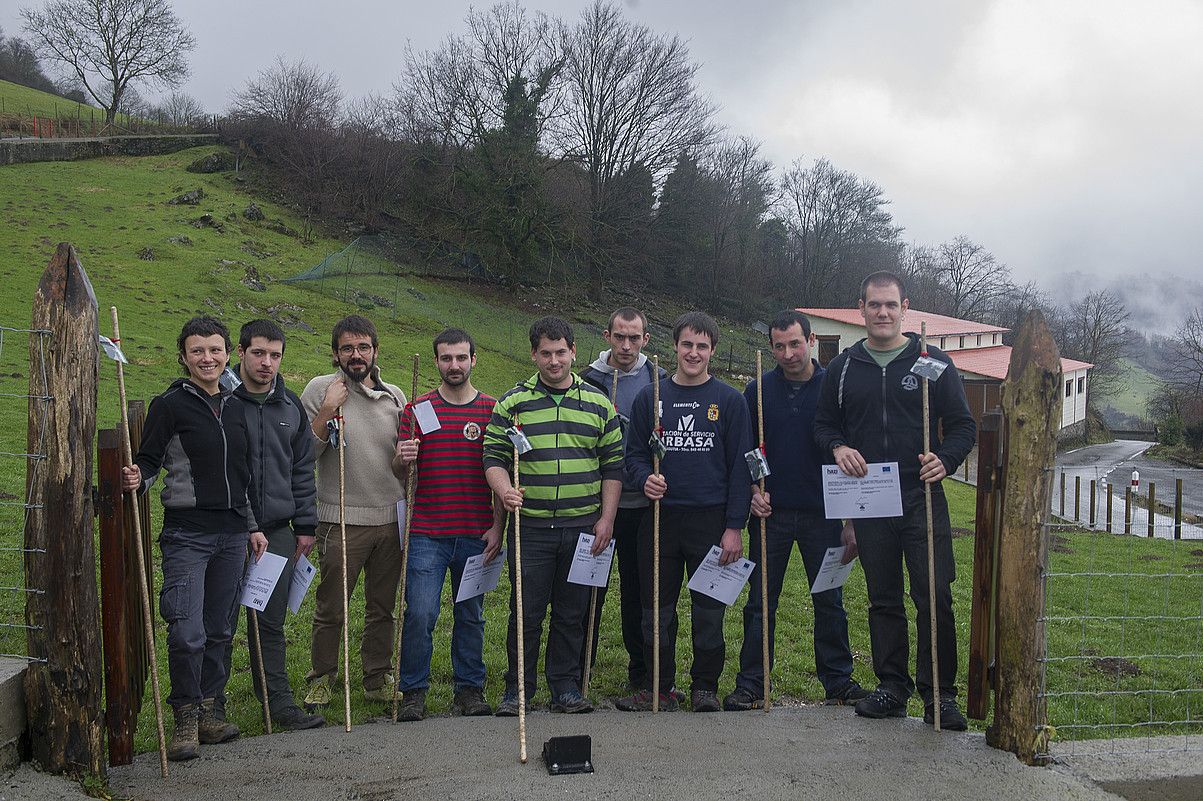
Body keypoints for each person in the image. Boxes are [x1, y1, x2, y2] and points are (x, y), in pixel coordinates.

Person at [813, 271, 976, 730]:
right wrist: (838, 448)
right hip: (870, 499)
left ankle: (939, 696)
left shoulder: (932, 361)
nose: (882, 313)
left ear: (905, 307)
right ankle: (892, 686)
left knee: (933, 595)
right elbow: (823, 425)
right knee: (883, 598)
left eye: (890, 305)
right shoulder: (843, 368)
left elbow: (963, 426)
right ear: (860, 309)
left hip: (921, 495)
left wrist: (945, 460)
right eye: (873, 305)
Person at [121, 316, 265, 761]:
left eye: (215, 349)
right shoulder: (171, 405)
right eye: (198, 350)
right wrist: (138, 477)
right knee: (187, 630)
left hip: (233, 533)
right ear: (183, 355)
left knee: (220, 628)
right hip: (187, 534)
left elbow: (246, 475)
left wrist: (254, 524)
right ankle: (183, 713)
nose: (208, 358)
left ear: (228, 354)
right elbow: (148, 459)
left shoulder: (240, 406)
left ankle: (209, 708)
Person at [723, 310, 868, 711]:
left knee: (829, 599)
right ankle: (751, 682)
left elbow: (850, 453)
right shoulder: (757, 390)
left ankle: (838, 681)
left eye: (795, 343)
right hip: (772, 515)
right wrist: (755, 488)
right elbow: (749, 450)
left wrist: (851, 520)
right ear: (771, 347)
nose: (788, 353)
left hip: (825, 515)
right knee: (760, 601)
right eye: (779, 346)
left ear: (812, 340)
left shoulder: (833, 387)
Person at [482, 316, 623, 715]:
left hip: (583, 526)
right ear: (534, 355)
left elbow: (614, 465)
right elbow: (492, 457)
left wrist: (607, 520)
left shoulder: (598, 403)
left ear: (574, 352)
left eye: (561, 352)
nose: (554, 360)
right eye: (546, 353)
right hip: (532, 528)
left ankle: (565, 686)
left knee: (572, 611)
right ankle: (518, 690)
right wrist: (504, 489)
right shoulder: (513, 403)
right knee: (525, 611)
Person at [619, 311, 753, 712]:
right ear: (674, 346)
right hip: (660, 520)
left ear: (712, 350)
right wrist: (645, 478)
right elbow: (635, 456)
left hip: (710, 521)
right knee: (655, 610)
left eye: (702, 346)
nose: (693, 353)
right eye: (687, 345)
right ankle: (658, 686)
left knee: (708, 612)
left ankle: (705, 686)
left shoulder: (729, 401)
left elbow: (740, 470)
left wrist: (734, 527)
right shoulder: (652, 397)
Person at [215, 320, 325, 731]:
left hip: (278, 529)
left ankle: (279, 703)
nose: (266, 363)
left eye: (275, 355)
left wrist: (306, 526)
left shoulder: (290, 406)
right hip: (226, 528)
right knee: (221, 621)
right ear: (240, 353)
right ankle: (212, 706)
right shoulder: (223, 404)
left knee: (270, 621)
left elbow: (301, 469)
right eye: (258, 353)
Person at [391, 328, 503, 721]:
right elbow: (398, 472)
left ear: (474, 359)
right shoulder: (418, 408)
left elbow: (503, 471)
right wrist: (403, 456)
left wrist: (498, 526)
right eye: (445, 358)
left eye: (460, 358)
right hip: (426, 533)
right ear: (436, 361)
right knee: (420, 614)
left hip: (477, 533)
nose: (453, 365)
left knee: (471, 615)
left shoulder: (493, 410)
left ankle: (469, 690)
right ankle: (413, 692)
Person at [300, 315, 407, 708]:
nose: (356, 355)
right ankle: (322, 677)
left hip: (391, 519)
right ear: (336, 353)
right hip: (342, 518)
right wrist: (327, 410)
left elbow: (403, 462)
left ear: (375, 351)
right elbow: (304, 453)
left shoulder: (396, 395)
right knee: (332, 606)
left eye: (363, 347)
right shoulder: (320, 390)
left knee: (382, 608)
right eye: (347, 348)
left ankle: (376, 677)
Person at [579, 307, 666, 693]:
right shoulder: (588, 380)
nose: (627, 345)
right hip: (596, 506)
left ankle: (641, 672)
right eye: (620, 337)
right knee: (588, 591)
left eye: (635, 338)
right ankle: (579, 672)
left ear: (646, 339)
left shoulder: (659, 380)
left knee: (639, 592)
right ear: (607, 336)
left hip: (644, 508)